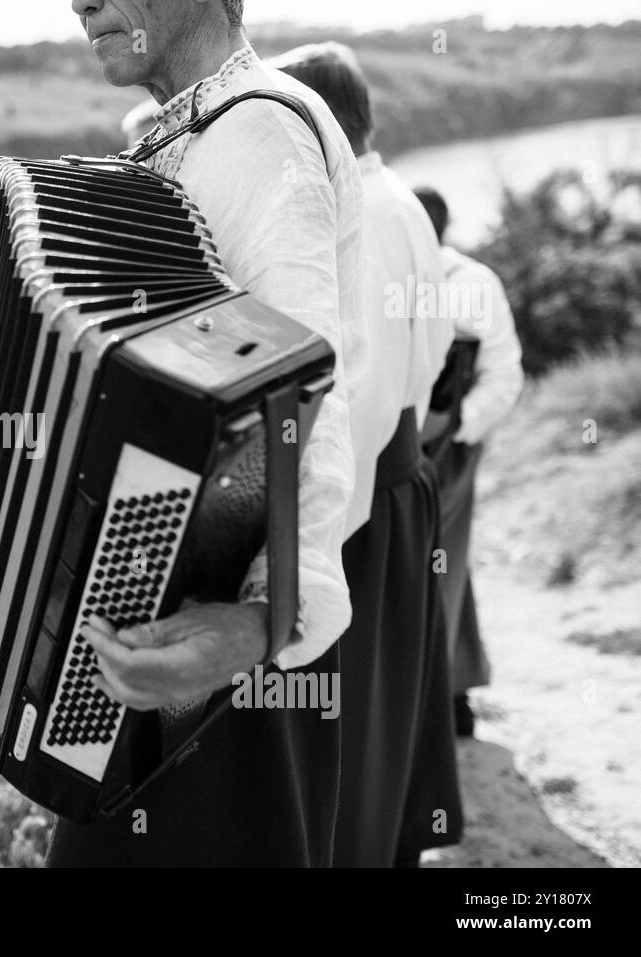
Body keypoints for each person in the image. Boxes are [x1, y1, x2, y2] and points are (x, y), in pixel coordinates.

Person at [48, 0, 367, 866]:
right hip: (161, 628)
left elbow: (311, 392)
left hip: (225, 654)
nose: (78, 1)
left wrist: (265, 621)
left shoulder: (263, 131)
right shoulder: (171, 137)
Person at [275, 42, 462, 867]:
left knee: (358, 722)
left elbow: (363, 390)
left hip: (368, 498)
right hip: (399, 478)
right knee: (386, 708)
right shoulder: (399, 201)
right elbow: (428, 349)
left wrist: (315, 544)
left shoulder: (367, 215)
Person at [414, 186, 525, 737]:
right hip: (385, 449)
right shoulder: (372, 273)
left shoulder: (474, 284)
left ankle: (434, 702)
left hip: (451, 450)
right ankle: (454, 689)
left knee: (435, 564)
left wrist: (453, 425)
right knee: (441, 562)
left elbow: (505, 375)